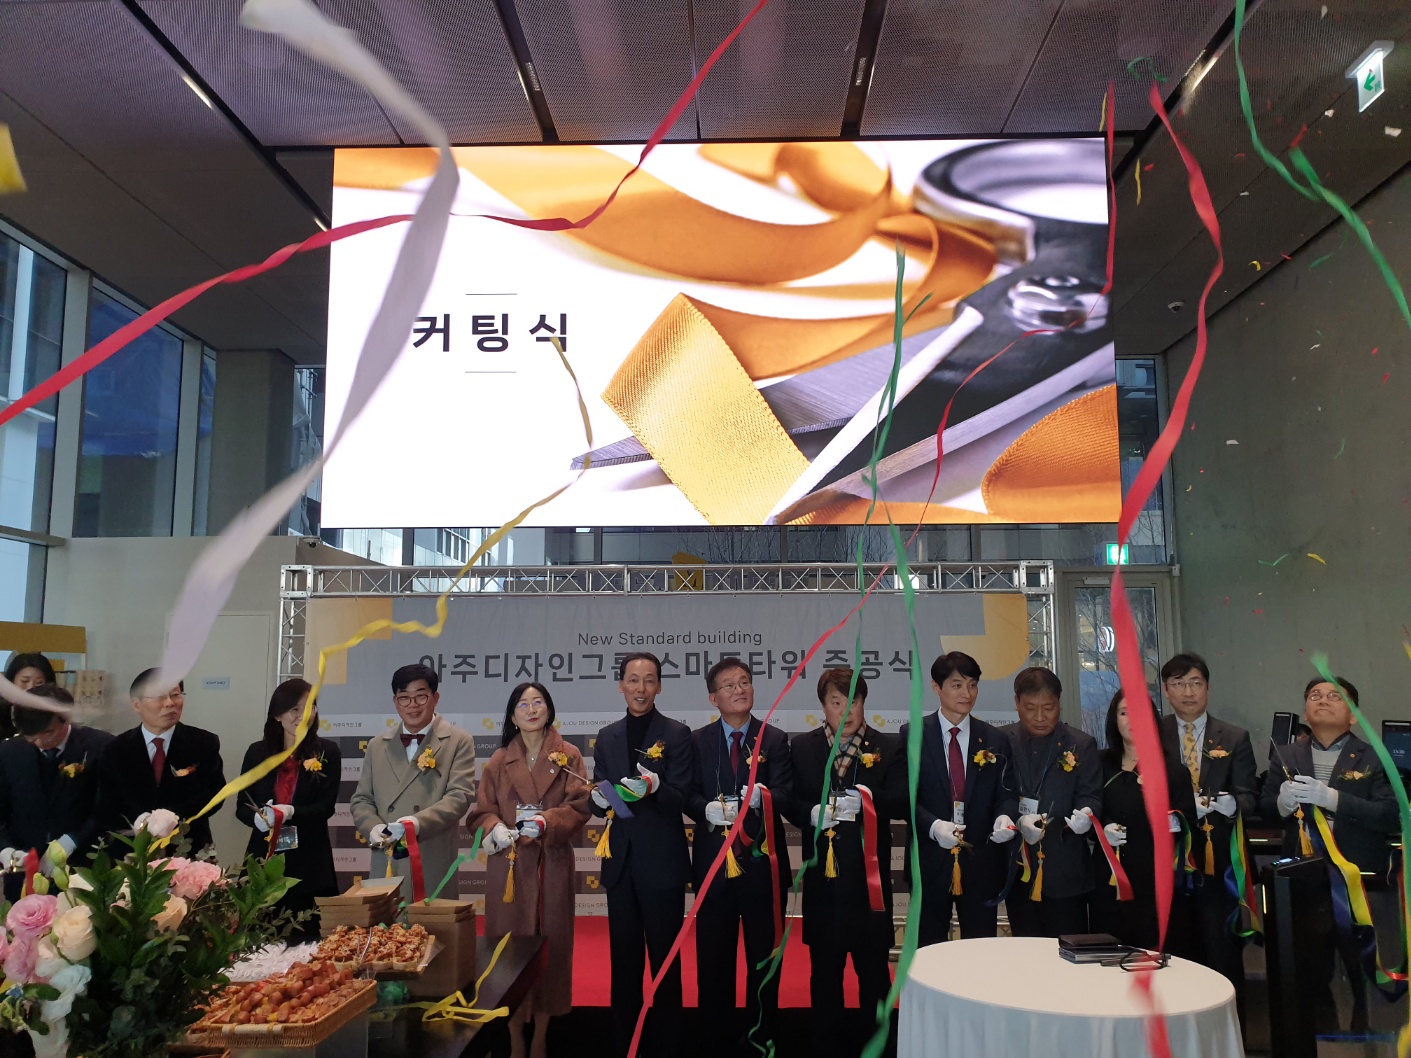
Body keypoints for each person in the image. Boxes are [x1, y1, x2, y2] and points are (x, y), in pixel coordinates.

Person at [1259, 675, 1398, 1033]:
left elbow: (1389, 814)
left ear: (1353, 715)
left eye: (1335, 696)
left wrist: (1333, 799)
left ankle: (1366, 1039)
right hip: (1304, 881)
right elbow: (1265, 809)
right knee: (1309, 972)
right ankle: (1317, 1037)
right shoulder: (1286, 755)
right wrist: (1282, 803)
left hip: (1358, 882)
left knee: (1361, 972)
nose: (1323, 700)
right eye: (1315, 695)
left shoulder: (1374, 756)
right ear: (1305, 711)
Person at [787, 668, 905, 1058]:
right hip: (823, 888)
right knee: (824, 980)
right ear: (823, 706)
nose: (847, 711)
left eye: (854, 701)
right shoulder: (802, 747)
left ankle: (879, 1048)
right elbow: (788, 800)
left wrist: (869, 799)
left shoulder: (887, 746)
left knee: (874, 981)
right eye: (836, 702)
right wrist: (809, 813)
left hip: (868, 888)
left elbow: (902, 800)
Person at [469, 682, 590, 1058]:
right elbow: (482, 810)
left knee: (552, 946)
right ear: (512, 715)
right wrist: (493, 828)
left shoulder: (568, 755)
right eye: (523, 704)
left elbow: (581, 804)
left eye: (539, 702)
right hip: (510, 866)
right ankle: (513, 1035)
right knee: (509, 949)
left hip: (551, 862)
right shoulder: (499, 759)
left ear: (549, 709)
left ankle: (541, 1033)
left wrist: (547, 821)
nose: (532, 709)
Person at [589, 652, 693, 1058]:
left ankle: (669, 1046)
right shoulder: (607, 736)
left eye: (649, 680)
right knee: (624, 963)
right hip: (620, 865)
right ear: (621, 685)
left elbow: (681, 797)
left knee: (665, 964)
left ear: (659, 686)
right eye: (633, 680)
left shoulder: (677, 734)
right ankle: (626, 1045)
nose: (641, 688)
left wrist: (656, 788)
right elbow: (601, 798)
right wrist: (600, 799)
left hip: (662, 865)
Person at [686, 657, 792, 1056]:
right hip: (714, 868)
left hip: (762, 868)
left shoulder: (774, 739)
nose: (739, 689)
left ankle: (760, 1040)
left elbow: (785, 793)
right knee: (713, 961)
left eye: (745, 682)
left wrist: (760, 800)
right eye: (729, 685)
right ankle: (714, 1042)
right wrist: (705, 809)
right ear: (713, 698)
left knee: (763, 962)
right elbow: (686, 793)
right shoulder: (697, 741)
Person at [1159, 653, 1256, 1001]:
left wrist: (1233, 805)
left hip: (1219, 866)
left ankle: (1231, 1028)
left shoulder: (1234, 737)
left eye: (1196, 683)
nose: (1188, 692)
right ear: (1166, 690)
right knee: (1175, 956)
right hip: (1169, 863)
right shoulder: (1152, 734)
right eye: (1179, 684)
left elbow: (1250, 797)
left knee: (1222, 955)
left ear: (1208, 688)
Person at [905, 651, 1018, 945]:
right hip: (930, 863)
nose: (966, 694)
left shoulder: (994, 739)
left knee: (980, 951)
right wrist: (932, 826)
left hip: (981, 864)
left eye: (972, 685)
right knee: (929, 950)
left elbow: (1006, 793)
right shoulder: (912, 735)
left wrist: (1005, 817)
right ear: (936, 687)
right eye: (957, 685)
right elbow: (904, 797)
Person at [350, 663, 477, 901]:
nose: (412, 705)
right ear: (395, 702)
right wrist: (373, 827)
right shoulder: (377, 745)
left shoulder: (458, 741)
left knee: (429, 922)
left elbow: (459, 796)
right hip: (388, 855)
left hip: (431, 853)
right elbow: (362, 799)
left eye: (420, 696)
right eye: (404, 698)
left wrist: (416, 824)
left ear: (435, 698)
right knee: (387, 921)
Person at [1090, 690, 1197, 950]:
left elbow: (1189, 825)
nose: (1132, 720)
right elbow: (1086, 810)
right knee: (1106, 956)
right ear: (1114, 719)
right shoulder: (1098, 764)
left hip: (1155, 882)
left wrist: (1172, 821)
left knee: (1154, 954)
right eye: (1124, 713)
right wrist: (1101, 828)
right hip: (1108, 882)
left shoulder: (1173, 771)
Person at [234, 678, 340, 938]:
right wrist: (258, 819)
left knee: (309, 941)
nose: (304, 715)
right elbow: (242, 806)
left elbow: (325, 807)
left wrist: (291, 812)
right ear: (277, 715)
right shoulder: (257, 753)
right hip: (263, 861)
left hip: (310, 862)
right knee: (259, 942)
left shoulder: (327, 752)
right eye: (295, 709)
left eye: (310, 707)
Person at [1003, 666, 1101, 938]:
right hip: (1019, 869)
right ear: (1016, 703)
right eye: (1030, 708)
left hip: (1065, 869)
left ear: (1059, 703)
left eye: (1048, 708)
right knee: (1024, 950)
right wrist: (1013, 820)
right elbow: (998, 795)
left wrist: (1087, 815)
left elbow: (1091, 794)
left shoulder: (1081, 744)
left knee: (1069, 949)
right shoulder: (1002, 741)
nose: (1040, 717)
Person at [0, 683, 113, 896]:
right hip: (24, 870)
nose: (39, 742)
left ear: (66, 718)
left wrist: (70, 842)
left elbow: (108, 806)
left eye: (48, 733)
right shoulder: (8, 752)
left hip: (83, 866)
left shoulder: (99, 746)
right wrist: (6, 849)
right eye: (30, 736)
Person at [97, 670, 226, 852]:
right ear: (136, 704)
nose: (170, 703)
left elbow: (214, 793)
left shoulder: (203, 742)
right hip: (131, 849)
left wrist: (173, 816)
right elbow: (107, 801)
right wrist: (142, 819)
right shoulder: (115, 748)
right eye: (160, 697)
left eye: (175, 695)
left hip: (188, 847)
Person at [0, 652, 57, 741]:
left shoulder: (54, 717)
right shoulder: (2, 711)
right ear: (11, 682)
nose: (30, 687)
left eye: (39, 683)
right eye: (24, 681)